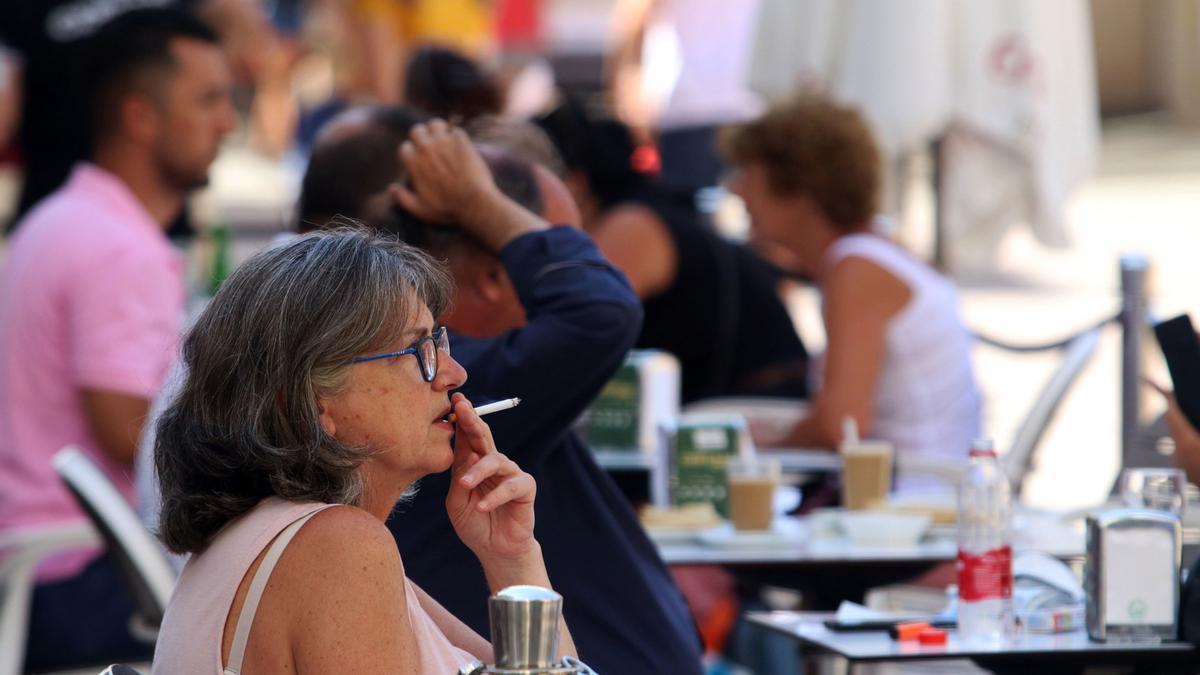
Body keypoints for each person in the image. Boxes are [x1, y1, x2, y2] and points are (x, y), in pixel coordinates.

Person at [299, 115, 704, 674]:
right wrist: (476, 200)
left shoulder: (357, 528)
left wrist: (513, 560)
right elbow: (601, 311)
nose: (452, 375)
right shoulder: (345, 528)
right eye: (543, 247)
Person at [151, 226, 574, 672]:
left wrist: (512, 557)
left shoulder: (303, 539)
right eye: (417, 351)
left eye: (438, 343)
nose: (454, 374)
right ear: (314, 400)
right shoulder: (338, 550)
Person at [0, 8, 235, 669]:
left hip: (41, 573)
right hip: (77, 580)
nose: (229, 122)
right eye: (209, 99)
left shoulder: (64, 216)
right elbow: (133, 436)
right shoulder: (117, 248)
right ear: (141, 117)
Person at [724, 94, 981, 494]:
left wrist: (750, 447)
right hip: (915, 495)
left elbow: (840, 425)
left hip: (908, 508)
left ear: (798, 187)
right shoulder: (872, 253)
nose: (736, 190)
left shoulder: (855, 270)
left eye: (748, 175)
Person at [538, 101, 810, 404]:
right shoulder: (641, 213)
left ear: (574, 183)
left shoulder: (631, 226)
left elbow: (572, 332)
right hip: (738, 402)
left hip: (760, 402)